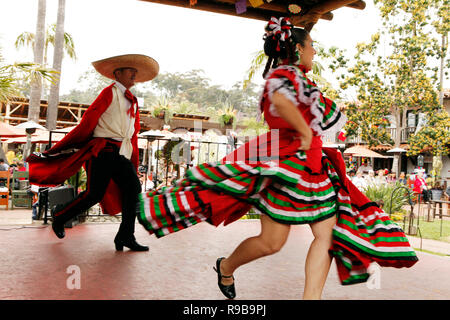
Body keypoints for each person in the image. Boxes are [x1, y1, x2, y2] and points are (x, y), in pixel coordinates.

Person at [137, 17, 418, 299]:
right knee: (271, 243)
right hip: (286, 165)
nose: (315, 51)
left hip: (314, 168)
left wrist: (308, 134)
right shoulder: (280, 77)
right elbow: (282, 102)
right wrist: (302, 130)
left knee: (327, 235)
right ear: (297, 48)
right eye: (311, 46)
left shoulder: (299, 79)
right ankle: (226, 266)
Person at [27, 54, 159, 252]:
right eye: (130, 70)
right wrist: (65, 146)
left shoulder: (133, 101)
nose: (134, 74)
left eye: (135, 71)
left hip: (120, 154)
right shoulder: (108, 93)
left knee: (133, 191)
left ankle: (125, 236)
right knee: (94, 194)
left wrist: (132, 160)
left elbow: (132, 133)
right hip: (103, 151)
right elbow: (88, 120)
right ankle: (60, 215)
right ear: (118, 73)